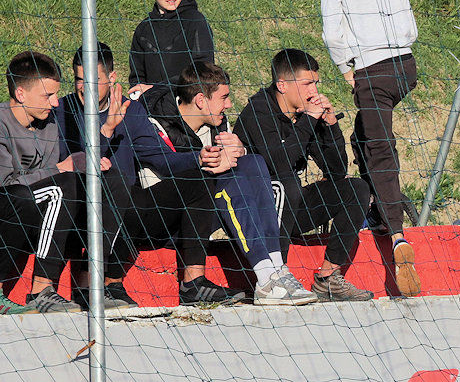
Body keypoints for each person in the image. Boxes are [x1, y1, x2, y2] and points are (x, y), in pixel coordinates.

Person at [57, 42, 227, 310]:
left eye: (94, 80)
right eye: (79, 79)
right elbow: (76, 164)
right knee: (114, 188)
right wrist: (107, 130)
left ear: (112, 78)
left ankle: (193, 283)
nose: (85, 87)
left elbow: (161, 158)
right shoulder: (62, 111)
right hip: (83, 207)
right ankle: (102, 283)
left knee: (198, 179)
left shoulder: (131, 110)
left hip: (131, 208)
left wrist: (199, 157)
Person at [130, 62, 315, 306]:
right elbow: (164, 164)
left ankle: (276, 269)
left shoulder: (217, 123)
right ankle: (265, 277)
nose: (229, 104)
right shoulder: (153, 121)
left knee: (253, 162)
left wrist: (239, 150)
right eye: (224, 97)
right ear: (200, 100)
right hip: (161, 219)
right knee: (227, 177)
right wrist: (206, 159)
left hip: (201, 216)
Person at [320, 0, 421, 296]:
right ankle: (378, 205)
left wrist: (348, 69)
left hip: (372, 70)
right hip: (405, 67)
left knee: (380, 149)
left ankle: (395, 232)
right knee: (364, 134)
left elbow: (333, 34)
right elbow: (409, 27)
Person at [233, 49, 375, 301]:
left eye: (316, 83)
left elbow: (336, 171)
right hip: (255, 213)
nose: (313, 90)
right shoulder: (259, 111)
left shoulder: (303, 114)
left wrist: (330, 126)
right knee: (287, 183)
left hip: (292, 207)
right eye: (307, 83)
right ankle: (275, 277)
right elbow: (279, 164)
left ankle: (328, 279)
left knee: (356, 189)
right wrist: (308, 120)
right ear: (282, 85)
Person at [0, 52, 86, 312]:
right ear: (21, 93)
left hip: (30, 206)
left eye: (56, 94)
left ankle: (97, 286)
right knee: (52, 188)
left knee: (72, 184)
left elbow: (50, 177)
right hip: (7, 204)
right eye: (47, 95)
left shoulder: (47, 124)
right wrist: (59, 168)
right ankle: (41, 289)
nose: (55, 103)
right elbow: (6, 184)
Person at [128, 0, 215, 92]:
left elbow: (204, 71)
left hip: (187, 100)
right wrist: (141, 93)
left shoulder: (195, 21)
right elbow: (137, 77)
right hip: (152, 102)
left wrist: (159, 89)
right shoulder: (143, 29)